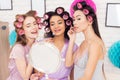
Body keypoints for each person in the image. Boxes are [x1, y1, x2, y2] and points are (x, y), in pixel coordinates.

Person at [30, 7, 78, 80]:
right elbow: (37, 71)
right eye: (52, 24)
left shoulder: (73, 46)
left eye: (59, 22)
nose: (56, 26)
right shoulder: (42, 43)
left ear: (66, 24)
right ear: (49, 27)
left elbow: (72, 72)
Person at [65, 0, 106, 80]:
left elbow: (87, 77)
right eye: (74, 19)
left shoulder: (95, 44)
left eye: (78, 19)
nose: (75, 23)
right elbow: (68, 63)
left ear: (90, 20)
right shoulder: (84, 43)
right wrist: (72, 39)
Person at [7, 10, 42, 80]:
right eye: (28, 26)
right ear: (22, 30)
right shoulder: (18, 48)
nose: (34, 27)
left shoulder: (36, 45)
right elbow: (25, 77)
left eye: (35, 24)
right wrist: (34, 51)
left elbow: (37, 71)